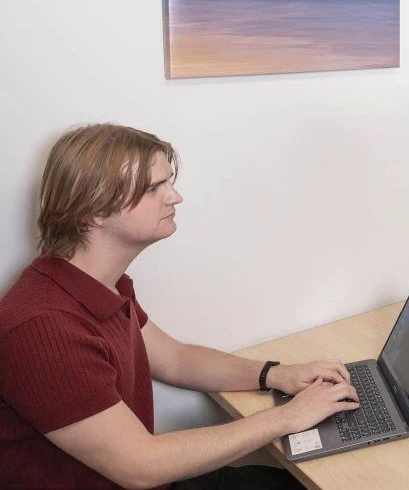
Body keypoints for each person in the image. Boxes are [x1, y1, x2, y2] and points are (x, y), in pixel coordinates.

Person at [0, 124, 361, 490]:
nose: (174, 197)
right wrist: (287, 418)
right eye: (153, 188)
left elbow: (174, 358)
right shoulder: (42, 327)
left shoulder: (97, 283)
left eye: (168, 182)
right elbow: (141, 467)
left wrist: (275, 374)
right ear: (93, 211)